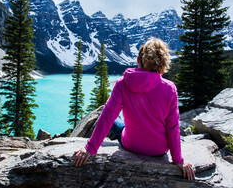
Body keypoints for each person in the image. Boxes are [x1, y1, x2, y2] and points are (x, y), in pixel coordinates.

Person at [74, 38, 195, 181]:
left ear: (139, 59)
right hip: (159, 150)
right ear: (163, 63)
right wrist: (178, 160)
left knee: (112, 120)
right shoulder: (170, 89)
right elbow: (173, 127)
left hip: (130, 144)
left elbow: (108, 116)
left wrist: (90, 148)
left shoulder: (123, 82)